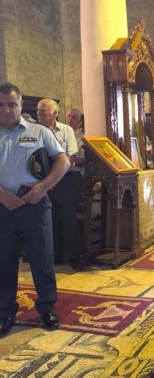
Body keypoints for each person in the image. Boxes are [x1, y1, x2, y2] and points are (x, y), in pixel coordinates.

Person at [0, 83, 70, 334]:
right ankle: (4, 312)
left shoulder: (38, 132)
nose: (7, 110)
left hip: (35, 204)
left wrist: (42, 187)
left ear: (20, 105)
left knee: (42, 258)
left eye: (12, 104)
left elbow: (63, 161)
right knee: (4, 260)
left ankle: (47, 308)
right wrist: (2, 195)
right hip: (3, 206)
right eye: (1, 105)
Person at [37, 99, 83, 270]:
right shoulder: (34, 131)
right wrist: (46, 181)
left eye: (44, 111)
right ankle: (54, 255)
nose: (39, 114)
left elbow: (72, 156)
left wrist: (56, 177)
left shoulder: (66, 130)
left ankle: (74, 256)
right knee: (49, 220)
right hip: (43, 182)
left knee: (69, 219)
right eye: (38, 110)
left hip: (65, 180)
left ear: (55, 114)